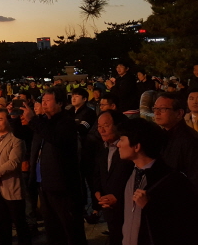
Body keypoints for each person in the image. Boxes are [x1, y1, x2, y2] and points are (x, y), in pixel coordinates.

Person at [117, 118, 198, 244]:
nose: (118, 144)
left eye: (122, 139)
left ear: (137, 146)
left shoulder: (171, 181)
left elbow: (185, 224)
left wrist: (150, 206)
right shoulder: (130, 173)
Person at [23, 88, 86, 245]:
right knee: (52, 230)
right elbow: (25, 134)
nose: (44, 104)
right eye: (42, 100)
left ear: (60, 103)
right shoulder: (44, 121)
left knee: (70, 229)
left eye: (48, 101)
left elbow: (55, 138)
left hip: (63, 186)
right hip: (44, 185)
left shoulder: (66, 121)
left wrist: (34, 120)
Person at [0, 109, 31, 245]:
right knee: (2, 224)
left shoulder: (16, 140)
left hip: (11, 186)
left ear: (8, 121)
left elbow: (13, 163)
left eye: (1, 119)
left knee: (19, 222)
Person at [91, 111, 133, 245]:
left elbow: (131, 178)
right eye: (99, 126)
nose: (101, 130)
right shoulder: (102, 147)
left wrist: (118, 197)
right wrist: (97, 191)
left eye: (106, 126)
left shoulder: (128, 149)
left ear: (117, 126)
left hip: (126, 208)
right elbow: (98, 172)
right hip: (108, 207)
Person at [152, 91, 198, 191]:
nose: (156, 112)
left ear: (179, 113)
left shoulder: (190, 140)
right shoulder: (159, 136)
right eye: (155, 108)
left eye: (163, 109)